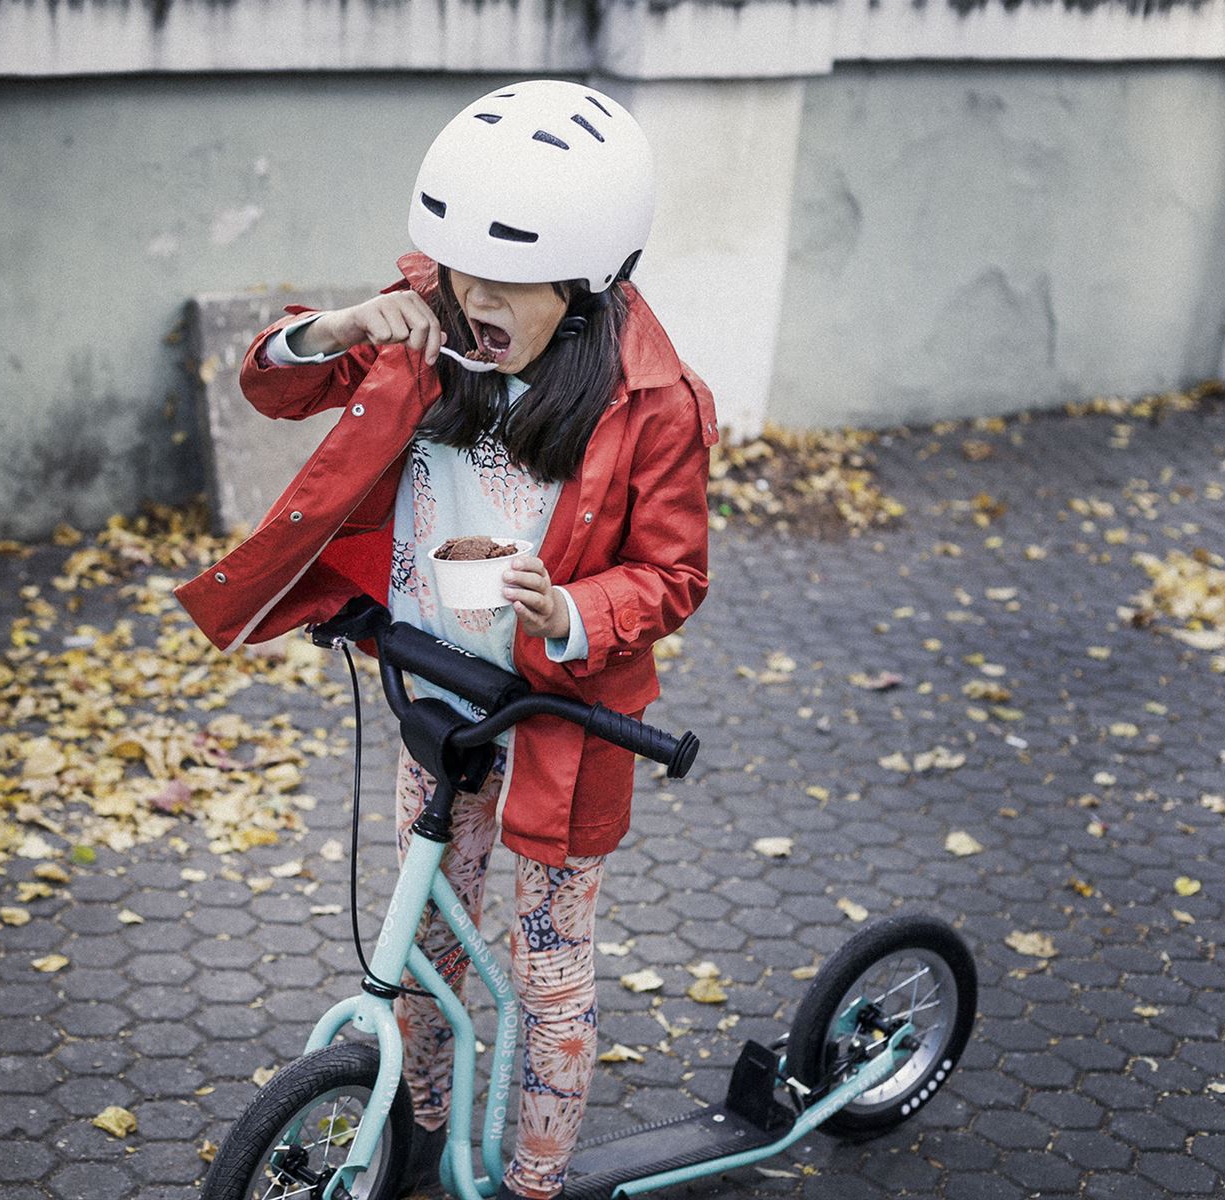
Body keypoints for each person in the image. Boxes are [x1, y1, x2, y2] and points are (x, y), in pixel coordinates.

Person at [174, 79, 718, 1200]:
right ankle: (420, 1143)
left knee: (546, 973)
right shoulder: (423, 312)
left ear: (586, 277)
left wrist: (570, 610)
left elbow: (673, 575)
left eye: (508, 277)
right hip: (433, 690)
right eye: (462, 267)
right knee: (418, 953)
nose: (474, 295)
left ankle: (531, 1183)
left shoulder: (653, 400)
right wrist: (343, 326)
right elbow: (272, 383)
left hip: (555, 719)